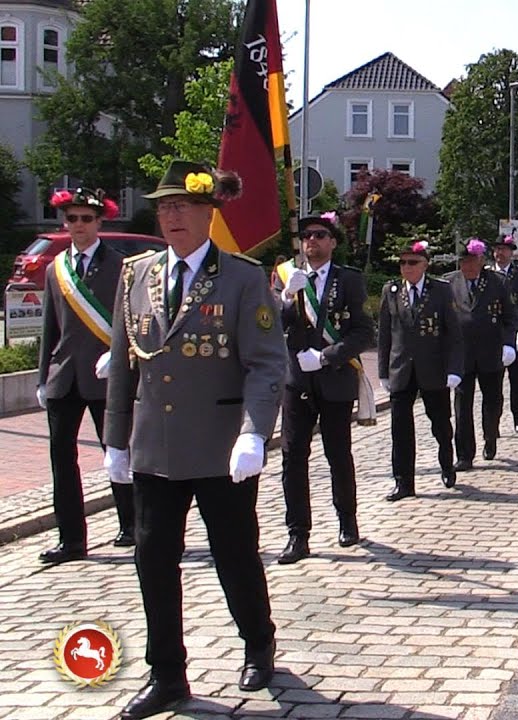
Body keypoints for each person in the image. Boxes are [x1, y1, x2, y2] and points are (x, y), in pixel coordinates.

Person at [103, 160, 285, 718]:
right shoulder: (136, 275)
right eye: (164, 207)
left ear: (209, 213)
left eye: (182, 205)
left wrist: (254, 433)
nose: (172, 216)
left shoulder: (242, 278)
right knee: (154, 560)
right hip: (155, 448)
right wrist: (115, 439)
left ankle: (258, 642)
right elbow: (123, 362)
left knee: (235, 554)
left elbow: (265, 363)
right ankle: (167, 673)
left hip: (219, 446)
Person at [37, 187, 134, 563]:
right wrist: (43, 377)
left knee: (117, 450)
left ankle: (130, 524)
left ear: (99, 221)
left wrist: (119, 357)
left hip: (105, 374)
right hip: (64, 376)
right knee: (62, 459)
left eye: (86, 219)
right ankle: (71, 539)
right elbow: (50, 326)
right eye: (72, 218)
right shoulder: (55, 269)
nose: (79, 225)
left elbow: (130, 321)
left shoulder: (121, 266)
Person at [274, 213, 375, 564]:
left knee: (338, 454)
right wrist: (288, 297)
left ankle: (347, 520)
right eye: (306, 235)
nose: (312, 241)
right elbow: (271, 324)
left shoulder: (348, 280)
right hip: (297, 381)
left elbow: (363, 332)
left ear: (332, 242)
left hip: (334, 379)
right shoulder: (287, 276)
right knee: (292, 457)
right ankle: (297, 534)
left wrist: (326, 356)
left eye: (320, 234)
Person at [378, 239, 464, 500]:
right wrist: (383, 371)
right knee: (400, 429)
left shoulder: (441, 290)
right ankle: (403, 482)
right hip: (402, 368)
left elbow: (453, 333)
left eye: (412, 262)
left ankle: (447, 463)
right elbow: (385, 334)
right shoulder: (391, 290)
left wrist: (454, 368)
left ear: (425, 264)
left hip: (433, 368)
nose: (407, 267)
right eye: (403, 263)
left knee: (440, 423)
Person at [448, 238, 518, 470]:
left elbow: (510, 317)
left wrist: (509, 343)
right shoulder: (450, 283)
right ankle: (464, 454)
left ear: (480, 261)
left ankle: (490, 435)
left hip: (491, 351)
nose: (466, 266)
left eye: (471, 261)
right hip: (462, 354)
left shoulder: (497, 282)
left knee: (493, 400)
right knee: (462, 405)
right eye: (463, 262)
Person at [490, 234, 518, 432]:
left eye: (504, 249)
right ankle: (494, 420)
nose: (500, 253)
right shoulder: (488, 274)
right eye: (497, 249)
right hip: (494, 334)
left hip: (514, 332)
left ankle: (517, 412)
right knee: (494, 380)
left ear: (511, 252)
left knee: (516, 377)